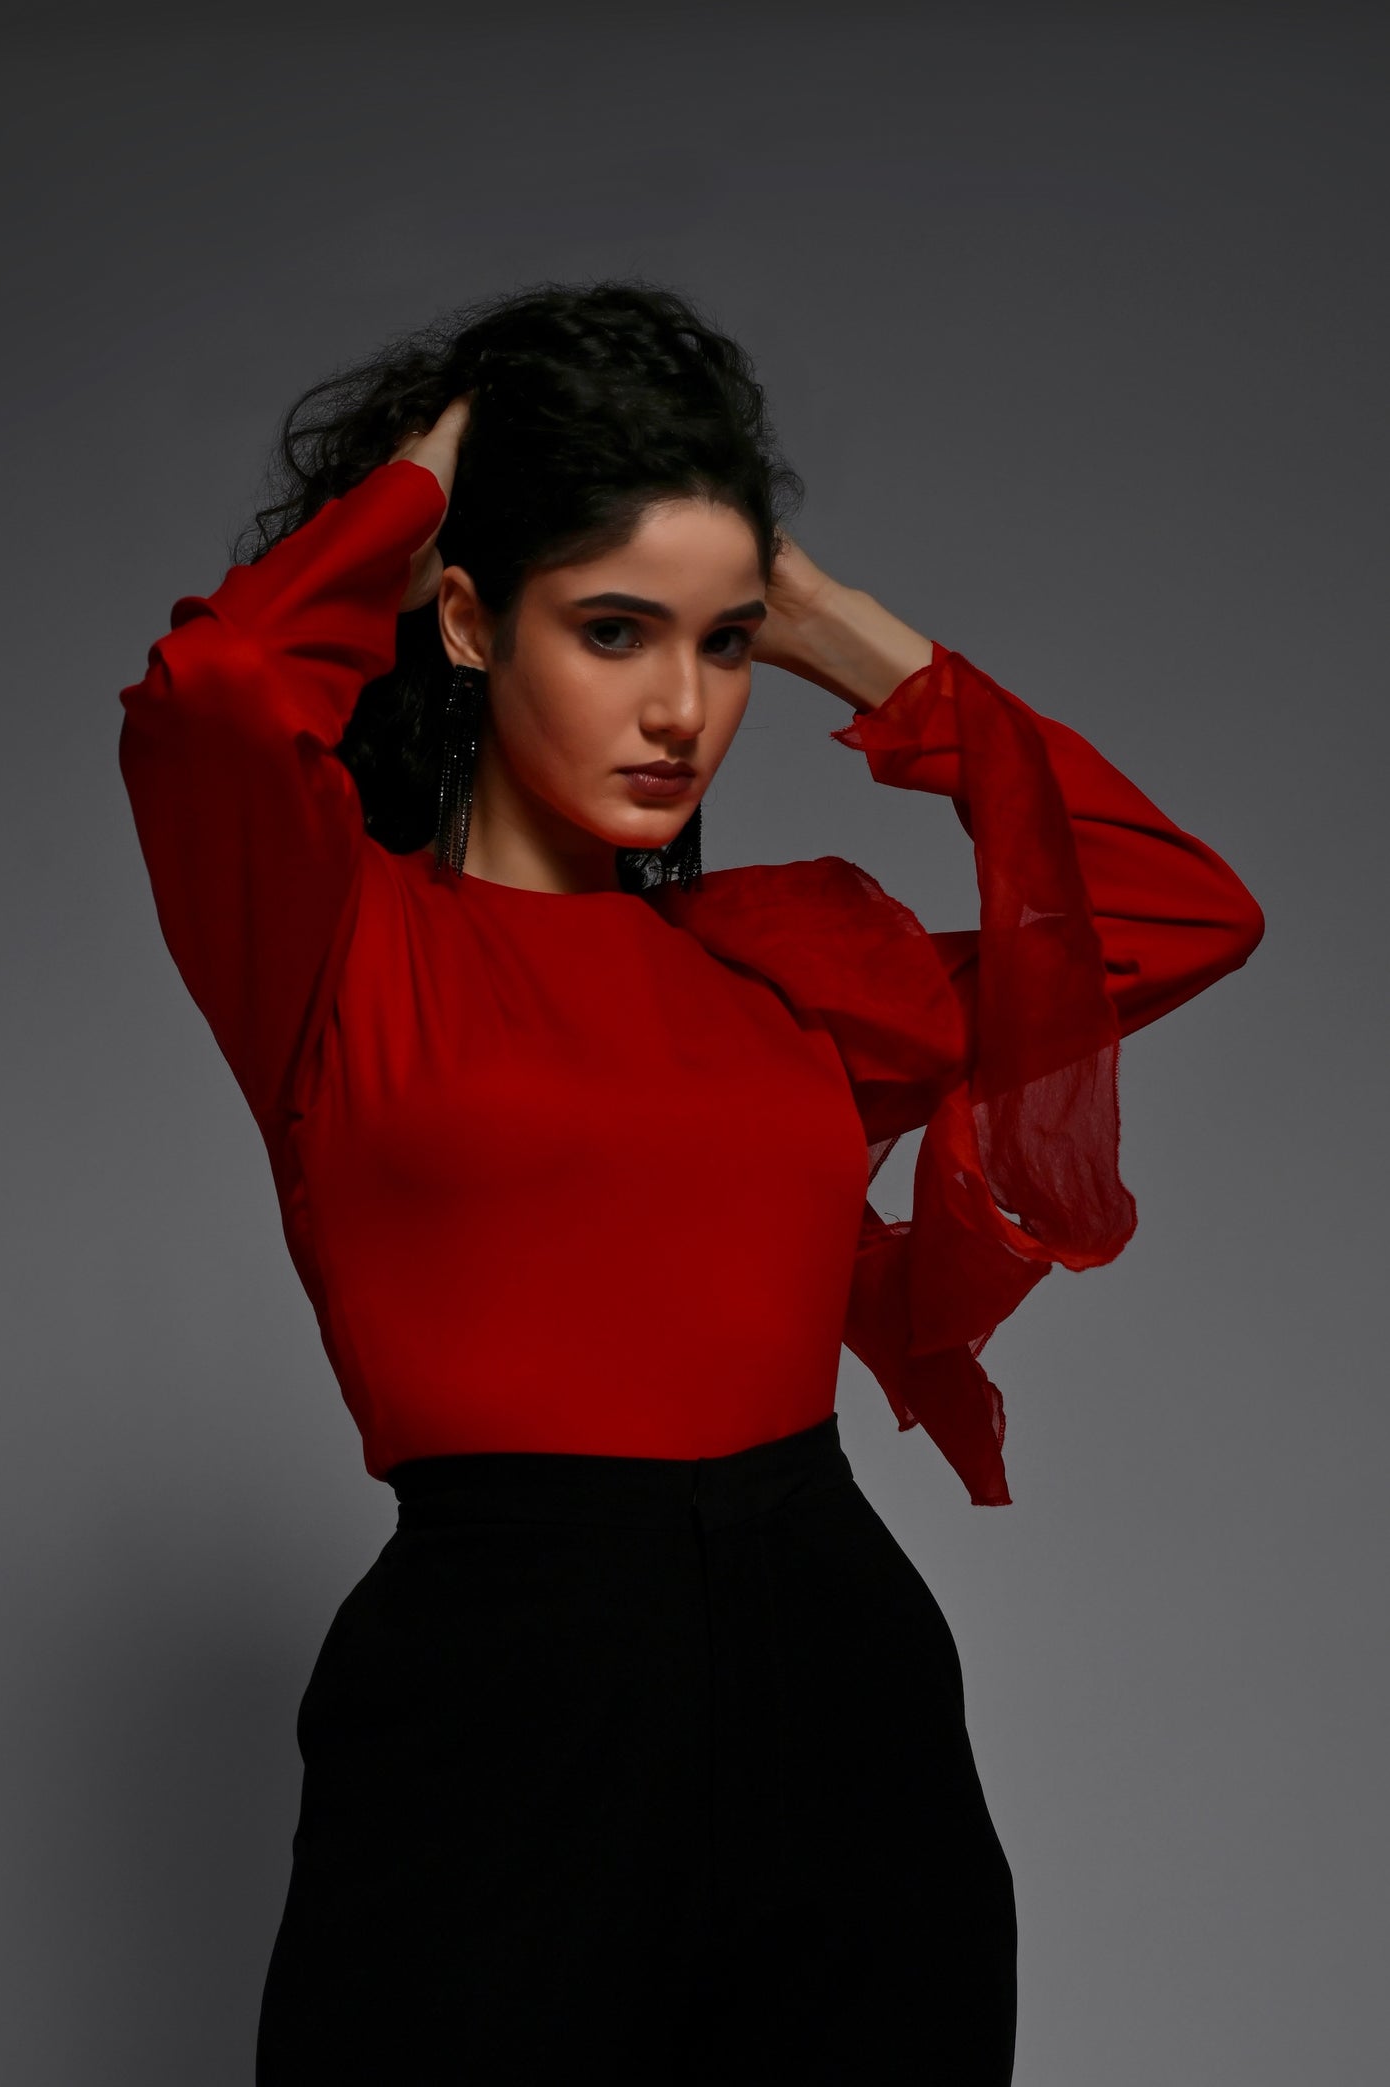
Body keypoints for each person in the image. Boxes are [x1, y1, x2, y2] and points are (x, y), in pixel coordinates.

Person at [116, 280, 1264, 2084]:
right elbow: (216, 692)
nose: (679, 708)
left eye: (721, 647)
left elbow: (1175, 913)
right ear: (467, 622)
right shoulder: (341, 944)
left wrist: (847, 635)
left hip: (840, 1680)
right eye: (614, 630)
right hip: (497, 1699)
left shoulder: (788, 972)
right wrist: (437, 467)